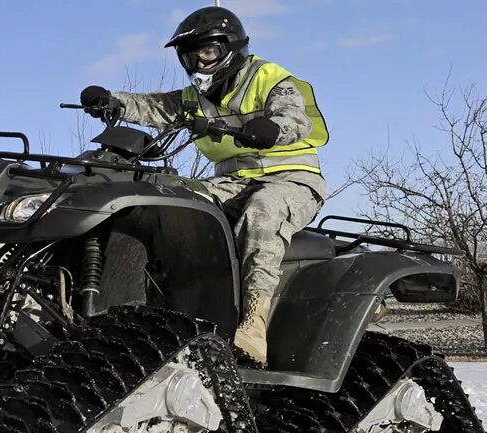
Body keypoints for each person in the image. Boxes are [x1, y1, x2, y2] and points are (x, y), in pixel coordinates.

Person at [80, 6, 328, 367]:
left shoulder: (269, 77)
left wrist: (273, 129)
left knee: (263, 212)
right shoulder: (196, 97)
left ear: (231, 48)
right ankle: (159, 311)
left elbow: (294, 116)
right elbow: (157, 106)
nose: (199, 62)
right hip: (232, 181)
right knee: (173, 201)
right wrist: (114, 102)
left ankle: (253, 325)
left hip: (291, 178)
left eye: (207, 51)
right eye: (190, 55)